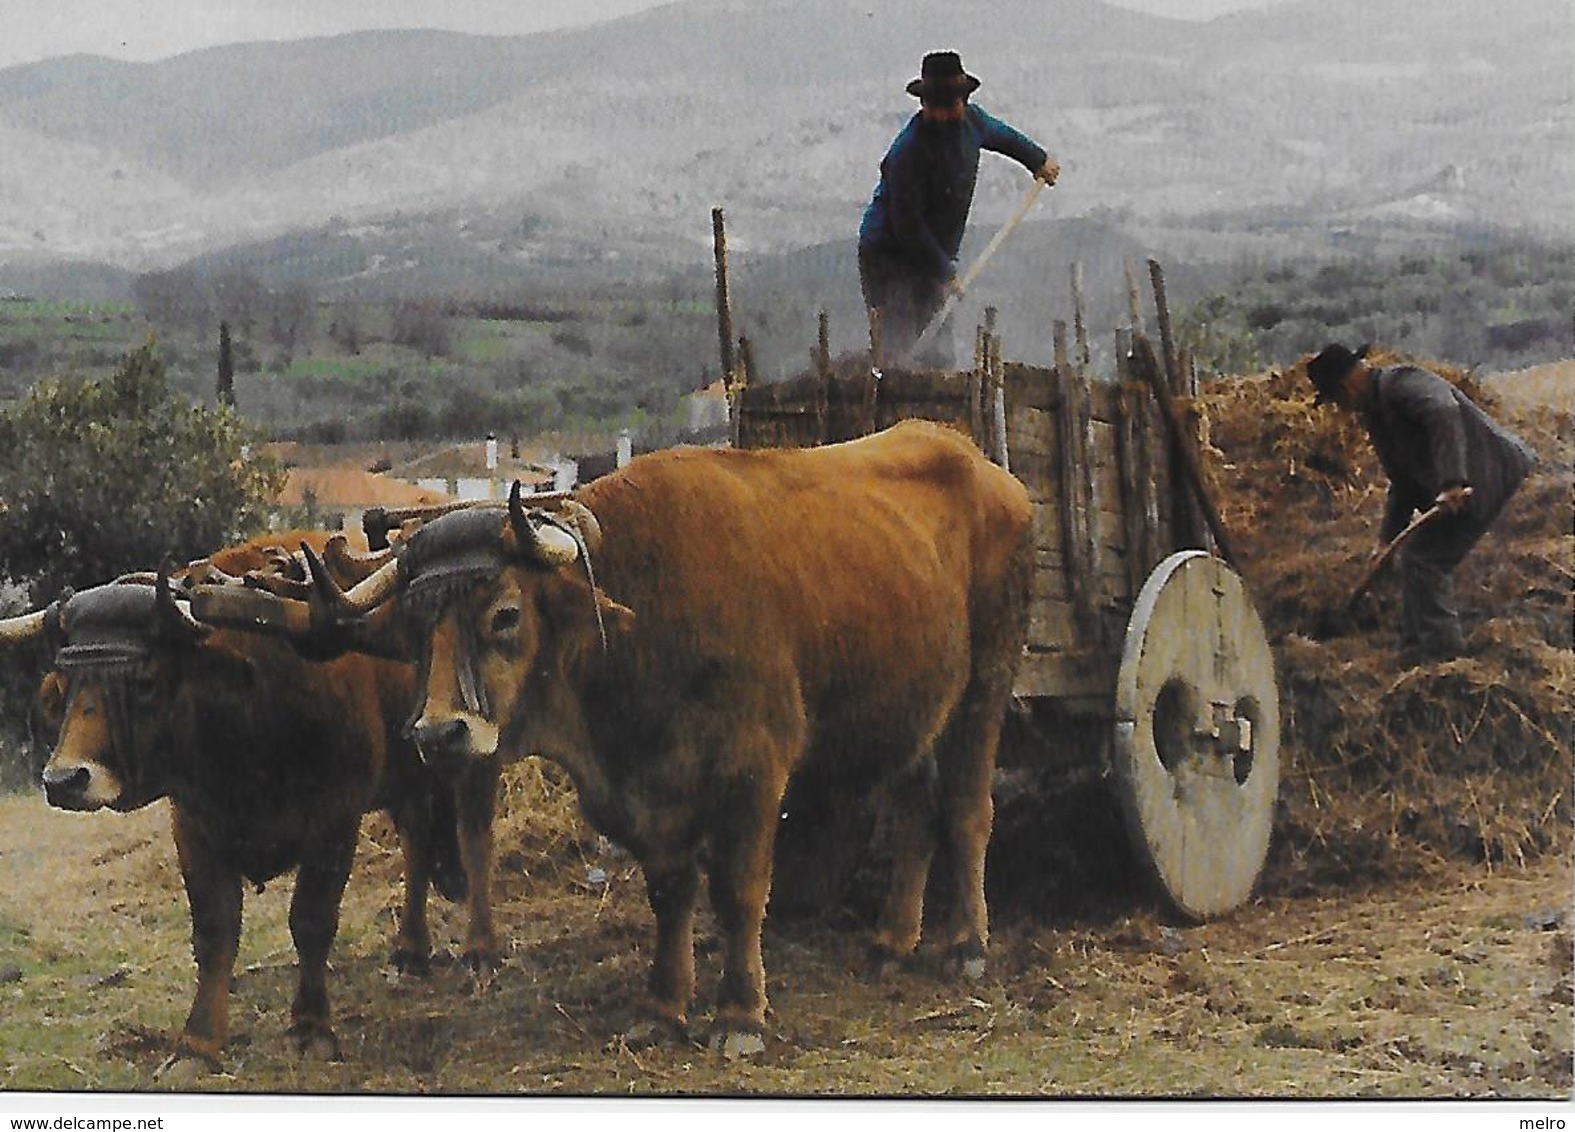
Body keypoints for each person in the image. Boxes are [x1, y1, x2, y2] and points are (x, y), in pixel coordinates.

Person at [1306, 342, 1536, 662]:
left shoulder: (1401, 384)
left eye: (1335, 401)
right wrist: (1386, 540)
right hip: (1466, 479)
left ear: (1345, 388)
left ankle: (1441, 652)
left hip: (1491, 469)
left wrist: (1452, 480)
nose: (1341, 409)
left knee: (1424, 558)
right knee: (1414, 557)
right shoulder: (1377, 415)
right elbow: (1403, 482)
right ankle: (1416, 646)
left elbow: (1443, 411)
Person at [858, 51, 1059, 367]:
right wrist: (944, 271)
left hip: (932, 251)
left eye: (948, 106)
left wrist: (1037, 159)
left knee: (937, 343)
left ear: (963, 102)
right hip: (889, 253)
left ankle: (935, 402)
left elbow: (1005, 137)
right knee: (900, 340)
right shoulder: (907, 152)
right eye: (933, 107)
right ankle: (895, 400)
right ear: (923, 104)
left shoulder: (974, 123)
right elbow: (907, 224)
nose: (940, 114)